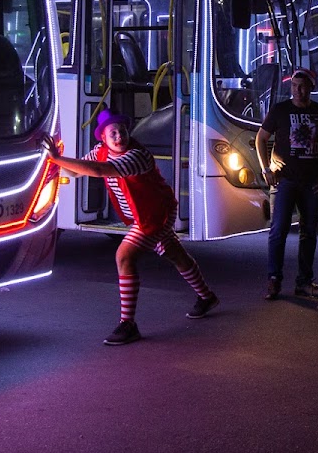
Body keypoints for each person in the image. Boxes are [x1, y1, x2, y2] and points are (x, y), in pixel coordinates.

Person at [48, 109, 219, 345]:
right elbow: (76, 171)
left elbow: (99, 171)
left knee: (124, 256)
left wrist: (55, 158)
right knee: (174, 253)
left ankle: (128, 324)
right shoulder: (101, 152)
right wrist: (54, 164)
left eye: (123, 131)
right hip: (144, 214)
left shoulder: (136, 155)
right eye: (113, 133)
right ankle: (207, 296)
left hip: (156, 214)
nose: (120, 136)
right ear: (104, 138)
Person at [256, 68, 318, 300]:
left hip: (312, 181)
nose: (297, 91)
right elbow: (262, 138)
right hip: (284, 180)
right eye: (294, 86)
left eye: (302, 86)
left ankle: (304, 281)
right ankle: (274, 279)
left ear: (311, 87)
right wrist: (265, 169)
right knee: (278, 230)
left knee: (309, 233)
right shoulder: (280, 110)